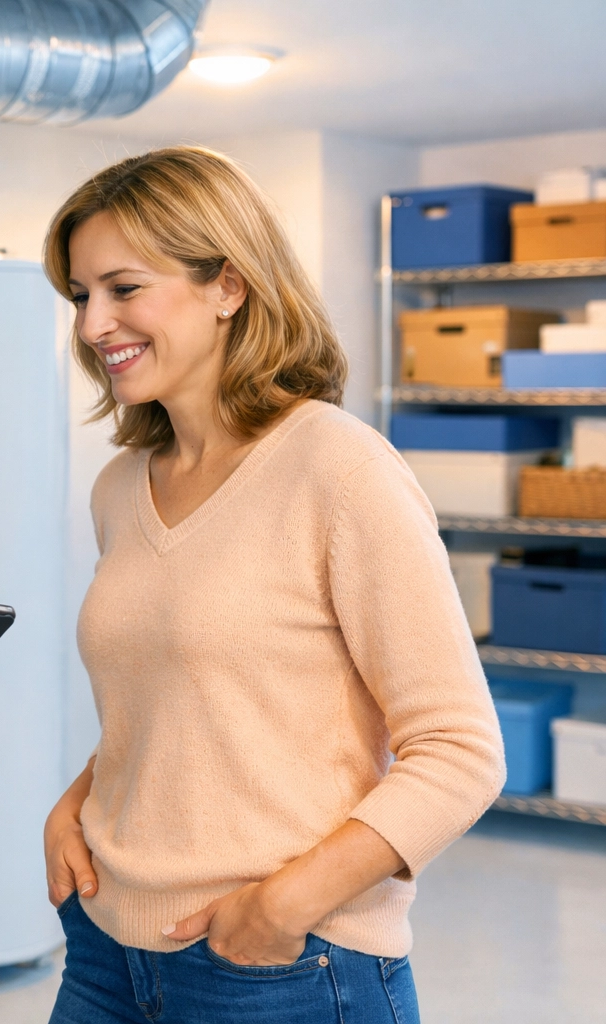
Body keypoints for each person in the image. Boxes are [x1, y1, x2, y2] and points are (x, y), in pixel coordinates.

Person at [39, 147, 505, 1024]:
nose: (95, 324)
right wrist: (74, 806)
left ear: (229, 285)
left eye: (123, 288)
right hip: (105, 956)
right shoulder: (122, 485)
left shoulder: (337, 465)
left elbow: (462, 751)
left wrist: (281, 908)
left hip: (282, 969)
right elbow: (178, 707)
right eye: (80, 295)